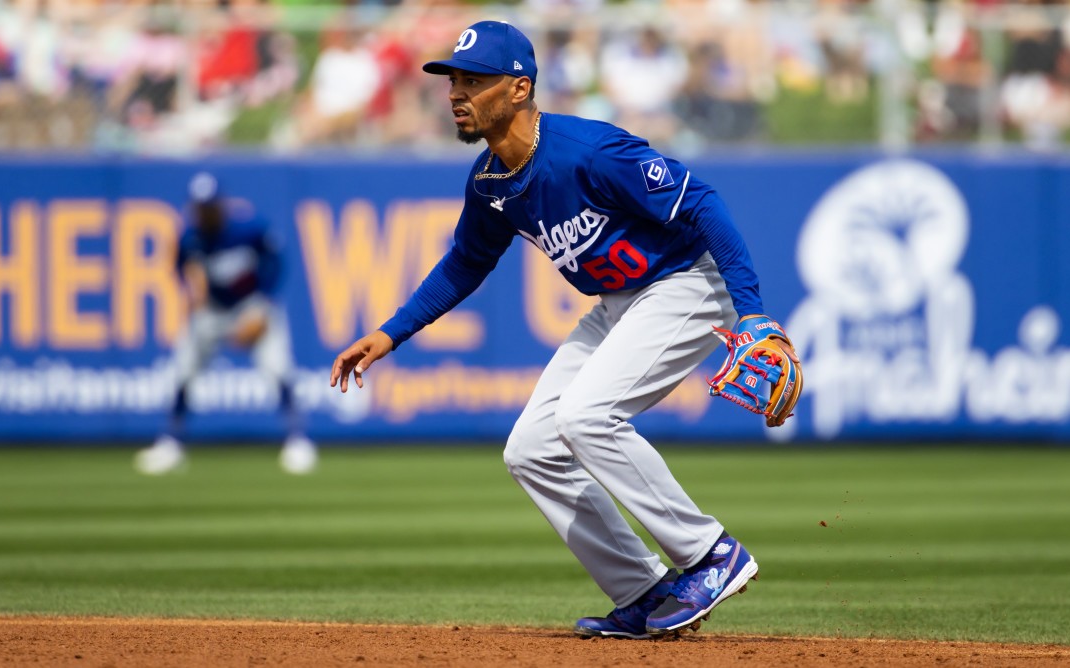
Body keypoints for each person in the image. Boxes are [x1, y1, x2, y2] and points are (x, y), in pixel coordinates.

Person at [329, 21, 797, 639]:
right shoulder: (491, 181)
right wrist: (391, 333)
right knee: (530, 450)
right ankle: (645, 589)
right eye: (453, 81)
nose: (456, 93)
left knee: (585, 416)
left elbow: (701, 201)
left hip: (685, 281)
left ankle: (710, 554)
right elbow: (466, 263)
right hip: (617, 301)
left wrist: (754, 311)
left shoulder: (587, 150)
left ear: (519, 89)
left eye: (473, 80)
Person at [136, 172, 317, 476]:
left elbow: (275, 263)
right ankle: (171, 443)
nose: (205, 213)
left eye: (210, 206)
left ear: (221, 205)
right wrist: (190, 290)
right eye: (199, 207)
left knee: (278, 368)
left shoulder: (248, 228)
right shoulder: (190, 236)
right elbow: (180, 266)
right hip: (212, 310)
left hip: (251, 305)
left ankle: (297, 440)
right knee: (183, 370)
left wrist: (264, 308)